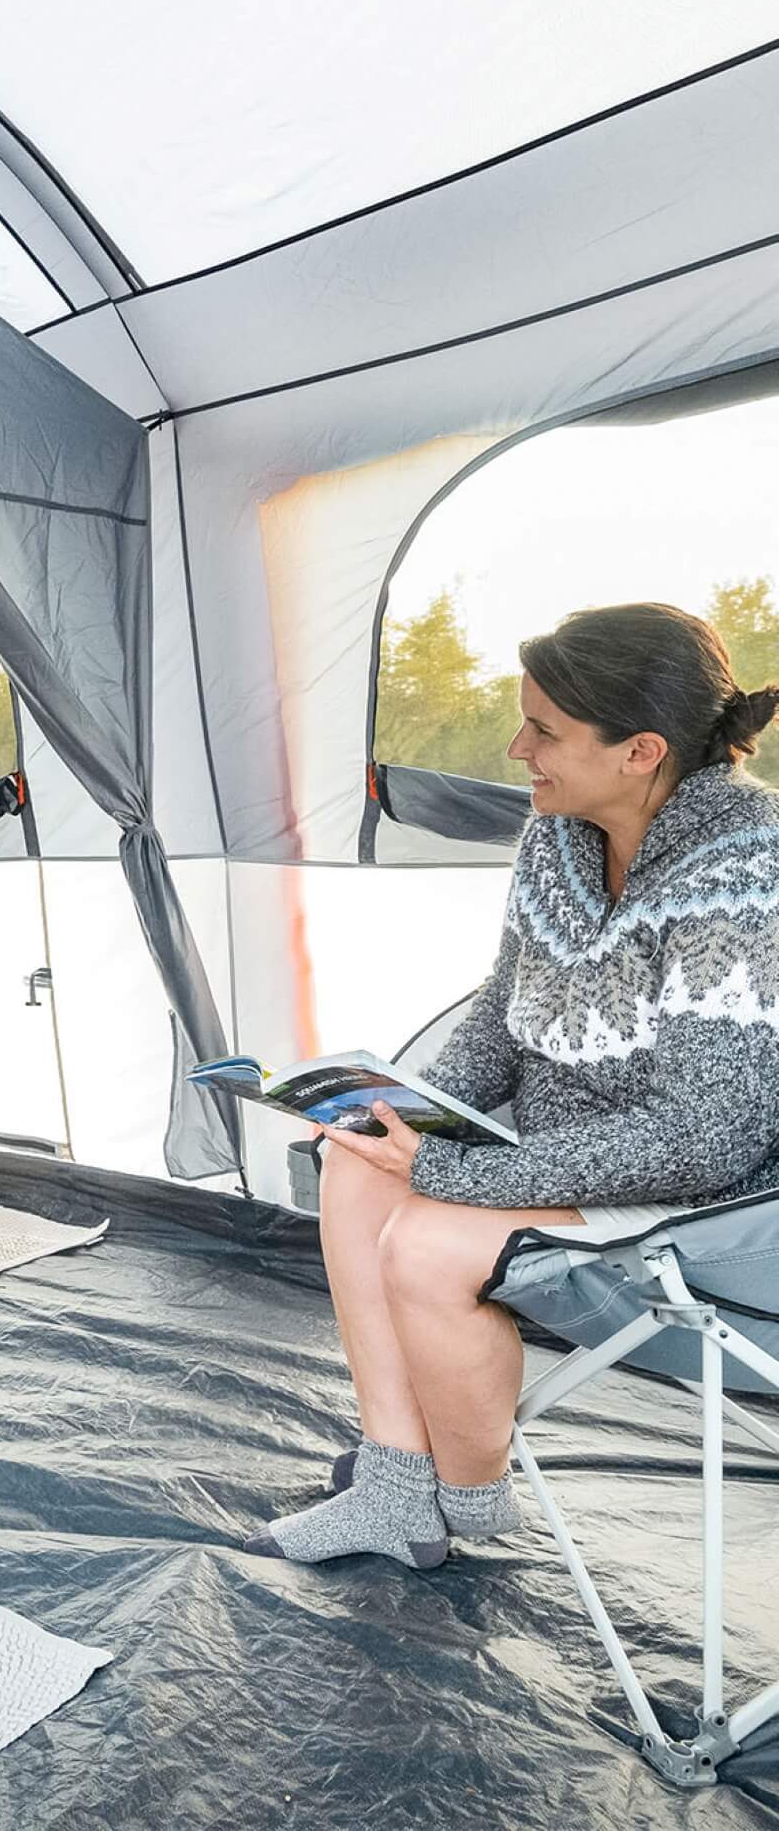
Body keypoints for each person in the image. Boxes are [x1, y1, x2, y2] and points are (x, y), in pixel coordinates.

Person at [248, 602, 779, 1569]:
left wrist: (464, 1173)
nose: (515, 746)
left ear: (641, 750)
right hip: (562, 1161)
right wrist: (406, 1109)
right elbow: (507, 1006)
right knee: (355, 1165)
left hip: (702, 1199)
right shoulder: (560, 836)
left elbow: (713, 1134)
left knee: (424, 1241)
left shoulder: (745, 869)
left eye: (545, 729)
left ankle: (470, 1496)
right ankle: (397, 1485)